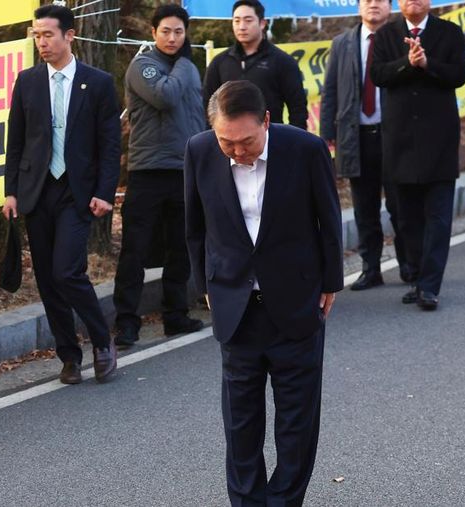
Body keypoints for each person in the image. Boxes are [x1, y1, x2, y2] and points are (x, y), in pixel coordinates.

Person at [185, 80, 343, 506]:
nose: (237, 151)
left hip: (296, 303)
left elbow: (328, 219)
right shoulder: (200, 151)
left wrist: (330, 281)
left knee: (296, 426)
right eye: (227, 142)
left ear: (267, 122)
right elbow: (195, 227)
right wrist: (207, 286)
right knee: (240, 426)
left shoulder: (305, 150)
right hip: (236, 307)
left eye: (246, 141)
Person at [2, 4, 120, 384]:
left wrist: (105, 191)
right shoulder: (28, 81)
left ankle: (103, 341)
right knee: (48, 281)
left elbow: (110, 144)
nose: (42, 42)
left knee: (67, 271)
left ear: (70, 35)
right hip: (37, 191)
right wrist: (11, 193)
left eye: (48, 34)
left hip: (77, 191)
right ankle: (69, 356)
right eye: (36, 35)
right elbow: (15, 141)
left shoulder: (98, 82)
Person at [112, 4, 205, 349]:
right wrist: (183, 62)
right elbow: (164, 97)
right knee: (135, 250)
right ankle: (126, 323)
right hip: (148, 170)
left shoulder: (190, 69)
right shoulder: (144, 65)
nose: (172, 37)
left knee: (180, 248)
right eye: (165, 31)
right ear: (153, 33)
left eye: (178, 32)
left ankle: (176, 315)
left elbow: (199, 115)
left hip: (184, 169)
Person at [370, 0, 465, 311]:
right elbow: (378, 75)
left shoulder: (449, 32)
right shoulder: (386, 35)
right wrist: (407, 63)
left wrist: (428, 65)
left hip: (438, 139)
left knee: (438, 217)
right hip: (399, 140)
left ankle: (429, 286)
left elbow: (459, 74)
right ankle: (416, 276)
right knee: (406, 217)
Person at [321, 0, 414, 290]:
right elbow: (331, 90)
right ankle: (370, 268)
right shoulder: (343, 43)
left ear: (391, 6)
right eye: (367, 0)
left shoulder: (402, 39)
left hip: (394, 135)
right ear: (359, 6)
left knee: (400, 205)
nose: (373, 5)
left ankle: (409, 266)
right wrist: (327, 133)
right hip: (356, 135)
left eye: (380, 0)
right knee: (364, 208)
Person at [202, 0, 308, 129]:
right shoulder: (219, 62)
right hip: (228, 141)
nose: (242, 26)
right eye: (236, 21)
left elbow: (298, 108)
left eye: (248, 20)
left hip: (270, 140)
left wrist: (294, 143)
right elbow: (208, 107)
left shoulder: (282, 61)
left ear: (262, 23)